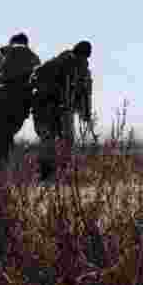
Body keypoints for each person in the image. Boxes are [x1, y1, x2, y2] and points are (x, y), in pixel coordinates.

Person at [0, 32, 41, 172]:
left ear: (11, 42)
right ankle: (4, 171)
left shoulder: (3, 54)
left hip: (2, 103)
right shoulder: (35, 58)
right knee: (7, 136)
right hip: (22, 105)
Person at [31, 40, 93, 183]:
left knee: (49, 142)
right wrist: (86, 115)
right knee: (65, 141)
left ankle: (47, 176)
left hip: (43, 108)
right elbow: (84, 93)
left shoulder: (58, 61)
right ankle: (59, 175)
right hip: (60, 109)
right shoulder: (76, 66)